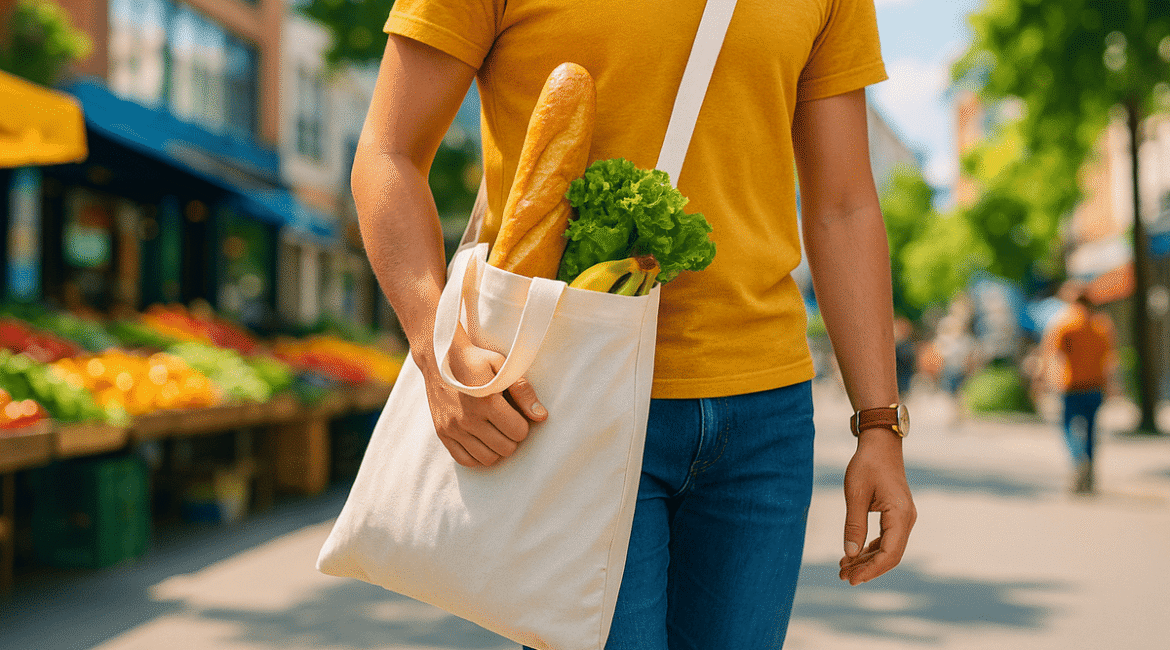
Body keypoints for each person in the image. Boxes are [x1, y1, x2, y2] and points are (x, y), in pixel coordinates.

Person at [351, 0, 916, 647]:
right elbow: (388, 151)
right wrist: (434, 344)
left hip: (764, 421)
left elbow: (843, 205)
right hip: (566, 397)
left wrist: (881, 425)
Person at [1037, 283, 1118, 494]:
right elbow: (1109, 360)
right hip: (1095, 386)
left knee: (1068, 426)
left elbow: (1051, 354)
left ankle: (1077, 460)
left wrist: (1044, 380)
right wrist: (1110, 386)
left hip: (1071, 385)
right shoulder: (1101, 326)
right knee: (1091, 430)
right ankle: (1089, 470)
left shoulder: (1065, 324)